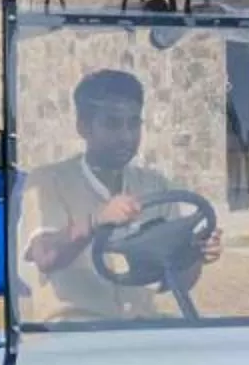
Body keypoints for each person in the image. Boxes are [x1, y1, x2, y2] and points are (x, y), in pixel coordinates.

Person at [18, 67, 222, 320]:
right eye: (113, 124)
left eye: (133, 124)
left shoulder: (155, 186)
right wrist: (95, 220)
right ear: (84, 127)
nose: (126, 137)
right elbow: (45, 256)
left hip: (141, 328)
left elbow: (173, 281)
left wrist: (196, 254)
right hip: (73, 333)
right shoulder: (48, 181)